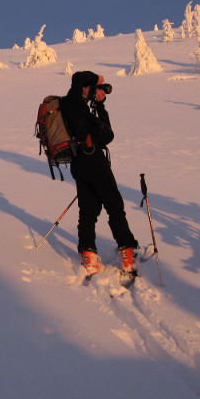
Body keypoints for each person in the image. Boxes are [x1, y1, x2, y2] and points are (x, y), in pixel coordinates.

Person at [59, 71, 139, 276]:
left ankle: (89, 255)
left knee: (88, 209)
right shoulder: (73, 100)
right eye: (90, 87)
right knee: (114, 205)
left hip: (80, 164)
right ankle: (127, 252)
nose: (92, 90)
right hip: (93, 161)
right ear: (83, 86)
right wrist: (98, 79)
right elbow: (78, 77)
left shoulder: (82, 109)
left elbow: (106, 135)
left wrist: (100, 105)